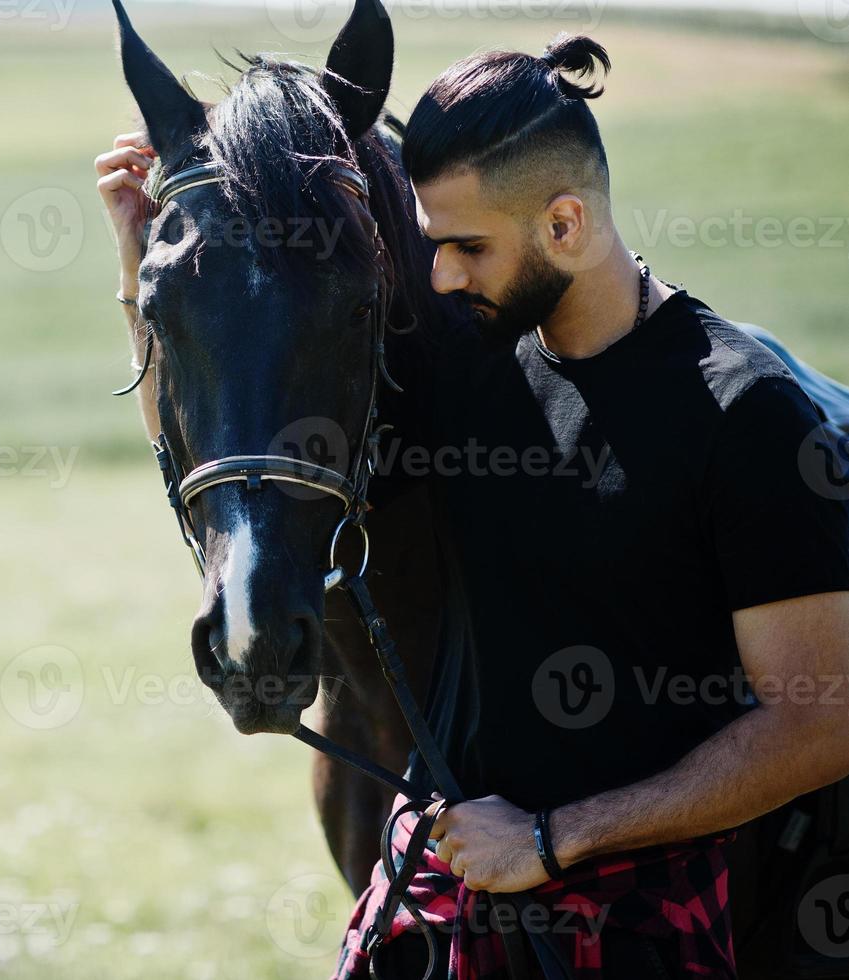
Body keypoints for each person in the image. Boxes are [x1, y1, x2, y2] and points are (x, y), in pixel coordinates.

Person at [96, 33, 849, 979]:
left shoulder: (743, 412)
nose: (439, 277)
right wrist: (145, 279)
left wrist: (544, 840)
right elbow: (250, 423)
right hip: (449, 905)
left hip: (640, 914)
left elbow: (824, 722)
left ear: (564, 225)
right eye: (426, 243)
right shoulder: (467, 378)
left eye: (463, 248)